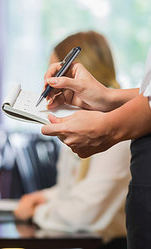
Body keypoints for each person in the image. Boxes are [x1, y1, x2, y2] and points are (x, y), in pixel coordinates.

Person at [14, 31, 131, 245]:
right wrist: (44, 198)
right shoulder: (85, 123)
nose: (47, 87)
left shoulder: (116, 131)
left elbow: (85, 214)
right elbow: (72, 190)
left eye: (53, 78)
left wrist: (37, 212)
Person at [40, 38, 151, 248]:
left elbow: (85, 214)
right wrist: (108, 99)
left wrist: (108, 126)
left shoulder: (117, 138)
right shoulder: (81, 116)